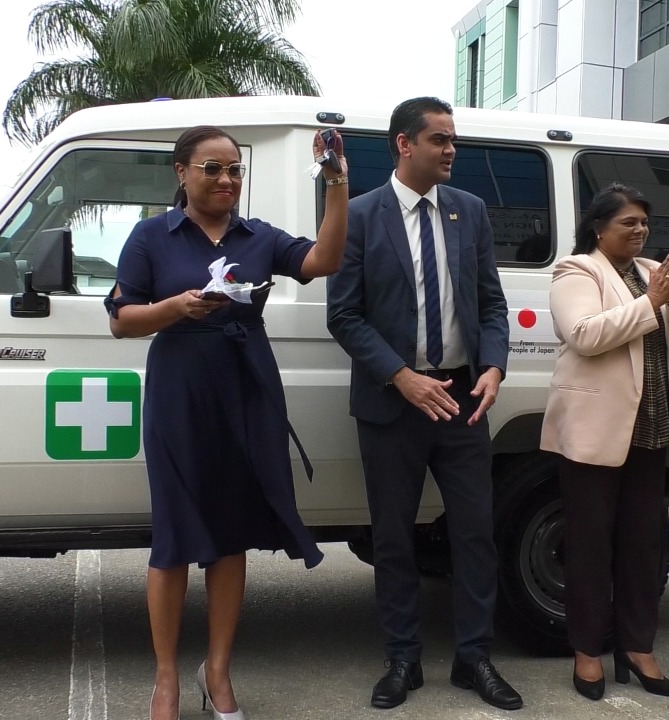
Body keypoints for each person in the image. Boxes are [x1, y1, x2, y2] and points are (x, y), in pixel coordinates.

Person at [107, 125, 348, 720]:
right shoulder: (151, 236)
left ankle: (217, 671)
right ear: (181, 172)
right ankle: (166, 678)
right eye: (212, 168)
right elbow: (121, 319)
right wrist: (176, 307)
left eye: (235, 169)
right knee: (173, 536)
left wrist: (336, 183)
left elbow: (323, 260)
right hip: (180, 391)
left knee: (231, 530)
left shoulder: (258, 236)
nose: (226, 179)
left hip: (246, 387)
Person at [325, 97, 519, 712]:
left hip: (462, 400)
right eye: (440, 139)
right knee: (393, 537)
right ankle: (402, 658)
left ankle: (474, 657)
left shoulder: (470, 211)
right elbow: (344, 315)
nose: (451, 149)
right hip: (394, 404)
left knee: (475, 533)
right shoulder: (360, 216)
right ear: (404, 144)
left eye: (453, 139)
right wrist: (401, 377)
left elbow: (491, 303)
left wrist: (493, 366)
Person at [540, 183, 669, 702]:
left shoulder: (656, 272)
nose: (640, 230)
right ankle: (588, 651)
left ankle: (638, 648)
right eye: (628, 222)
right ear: (598, 228)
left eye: (644, 223)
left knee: (644, 546)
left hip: (651, 432)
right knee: (589, 546)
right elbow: (584, 334)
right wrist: (652, 302)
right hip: (595, 434)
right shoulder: (576, 270)